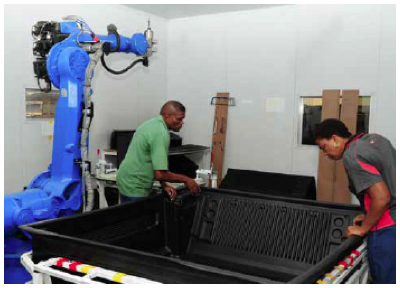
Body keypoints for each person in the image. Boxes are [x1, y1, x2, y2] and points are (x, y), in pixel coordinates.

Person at [315, 118, 396, 284]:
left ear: (335, 139)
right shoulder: (375, 140)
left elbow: (381, 198)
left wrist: (364, 227)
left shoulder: (352, 155)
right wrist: (367, 215)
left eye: (324, 147)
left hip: (388, 229)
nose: (325, 153)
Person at [117, 100, 201, 202]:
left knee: (128, 215)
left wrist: (164, 184)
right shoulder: (161, 133)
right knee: (137, 217)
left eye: (182, 119)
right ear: (167, 116)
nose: (181, 122)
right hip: (136, 185)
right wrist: (188, 180)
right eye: (179, 119)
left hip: (125, 179)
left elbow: (153, 161)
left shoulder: (151, 123)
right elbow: (160, 174)